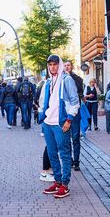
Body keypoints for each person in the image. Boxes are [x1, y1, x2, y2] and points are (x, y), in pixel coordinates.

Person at [38, 54, 80, 198]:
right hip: (48, 123)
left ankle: (65, 184)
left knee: (64, 153)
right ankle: (57, 181)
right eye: (50, 64)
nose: (52, 67)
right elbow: (42, 101)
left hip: (61, 123)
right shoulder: (48, 83)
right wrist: (42, 118)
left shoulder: (67, 80)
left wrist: (69, 120)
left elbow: (75, 102)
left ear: (60, 65)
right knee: (51, 153)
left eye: (55, 64)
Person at [63, 61, 84, 171]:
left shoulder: (78, 79)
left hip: (75, 111)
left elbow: (80, 93)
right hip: (65, 112)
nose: (66, 67)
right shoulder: (60, 79)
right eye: (65, 65)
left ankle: (76, 161)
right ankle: (69, 160)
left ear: (71, 67)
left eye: (68, 65)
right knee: (66, 137)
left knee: (75, 137)